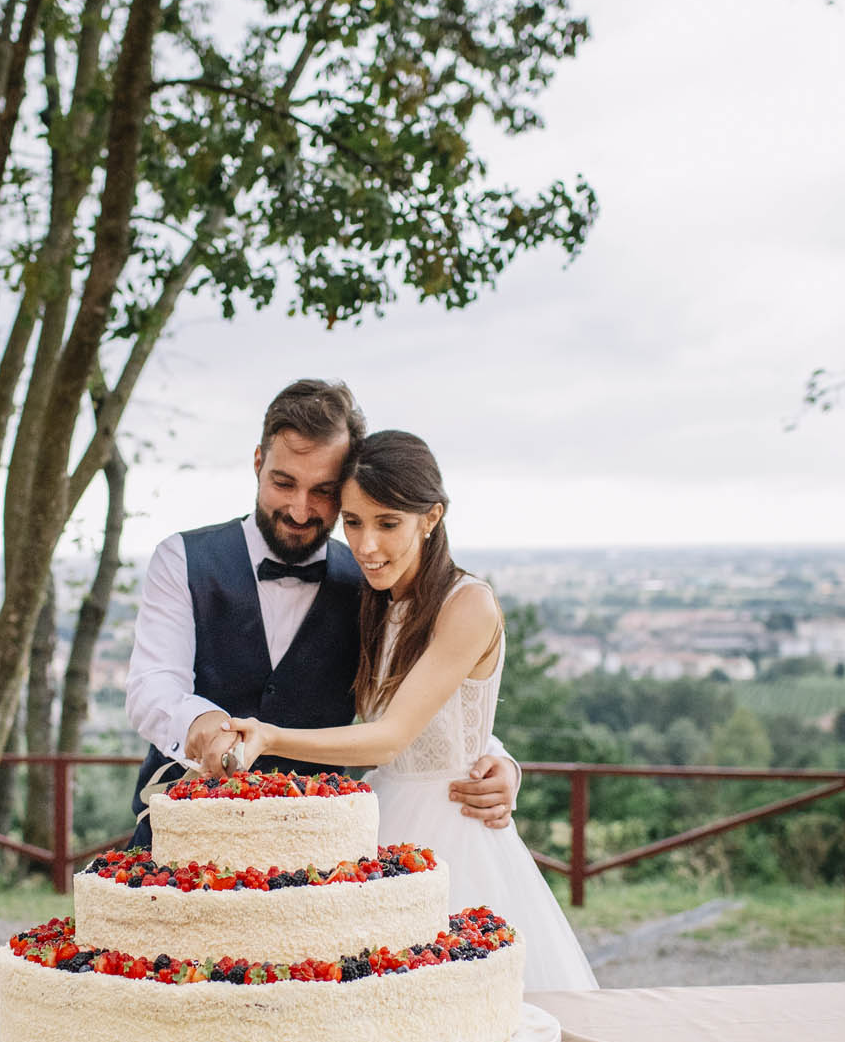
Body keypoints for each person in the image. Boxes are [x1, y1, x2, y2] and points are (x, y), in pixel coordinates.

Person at [225, 430, 598, 992]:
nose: (367, 544)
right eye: (352, 522)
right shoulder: (376, 599)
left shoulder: (467, 603)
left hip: (453, 830)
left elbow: (392, 735)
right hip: (380, 817)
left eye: (387, 523)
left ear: (432, 517)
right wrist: (498, 757)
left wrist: (268, 738)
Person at [124, 381, 522, 847]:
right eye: (283, 482)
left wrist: (493, 760)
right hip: (185, 833)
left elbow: (420, 694)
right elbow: (152, 684)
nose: (299, 509)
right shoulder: (181, 558)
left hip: (318, 844)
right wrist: (199, 723)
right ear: (258, 463)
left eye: (324, 492)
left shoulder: (370, 581)